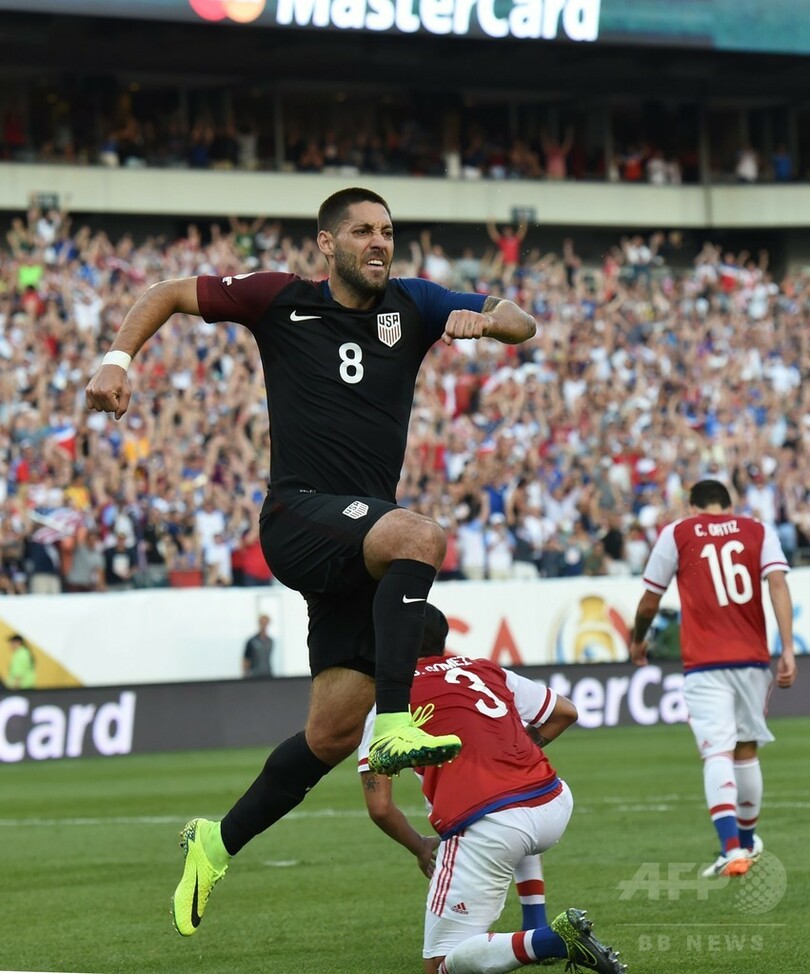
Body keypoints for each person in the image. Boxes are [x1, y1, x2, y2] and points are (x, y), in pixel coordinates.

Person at [84, 186, 537, 936]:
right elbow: (166, 292)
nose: (378, 242)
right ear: (327, 243)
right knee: (421, 537)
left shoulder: (418, 303)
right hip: (299, 516)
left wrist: (486, 320)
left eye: (386, 230)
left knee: (329, 735)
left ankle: (214, 843)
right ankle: (397, 724)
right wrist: (116, 360)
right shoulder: (280, 300)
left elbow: (523, 320)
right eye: (362, 231)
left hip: (356, 547)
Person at [358, 604, 626, 974]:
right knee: (511, 804)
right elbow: (565, 712)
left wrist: (420, 847)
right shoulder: (484, 669)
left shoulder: (390, 703)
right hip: (553, 803)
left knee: (440, 965)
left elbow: (380, 806)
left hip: (492, 825)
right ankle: (535, 922)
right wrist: (518, 751)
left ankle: (552, 940)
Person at [629, 479, 797, 879]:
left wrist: (638, 640)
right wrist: (788, 648)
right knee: (746, 750)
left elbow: (650, 600)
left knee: (717, 753)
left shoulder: (678, 532)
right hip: (752, 659)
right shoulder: (757, 529)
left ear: (692, 507)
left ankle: (731, 849)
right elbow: (777, 584)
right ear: (729, 505)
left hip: (705, 661)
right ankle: (747, 841)